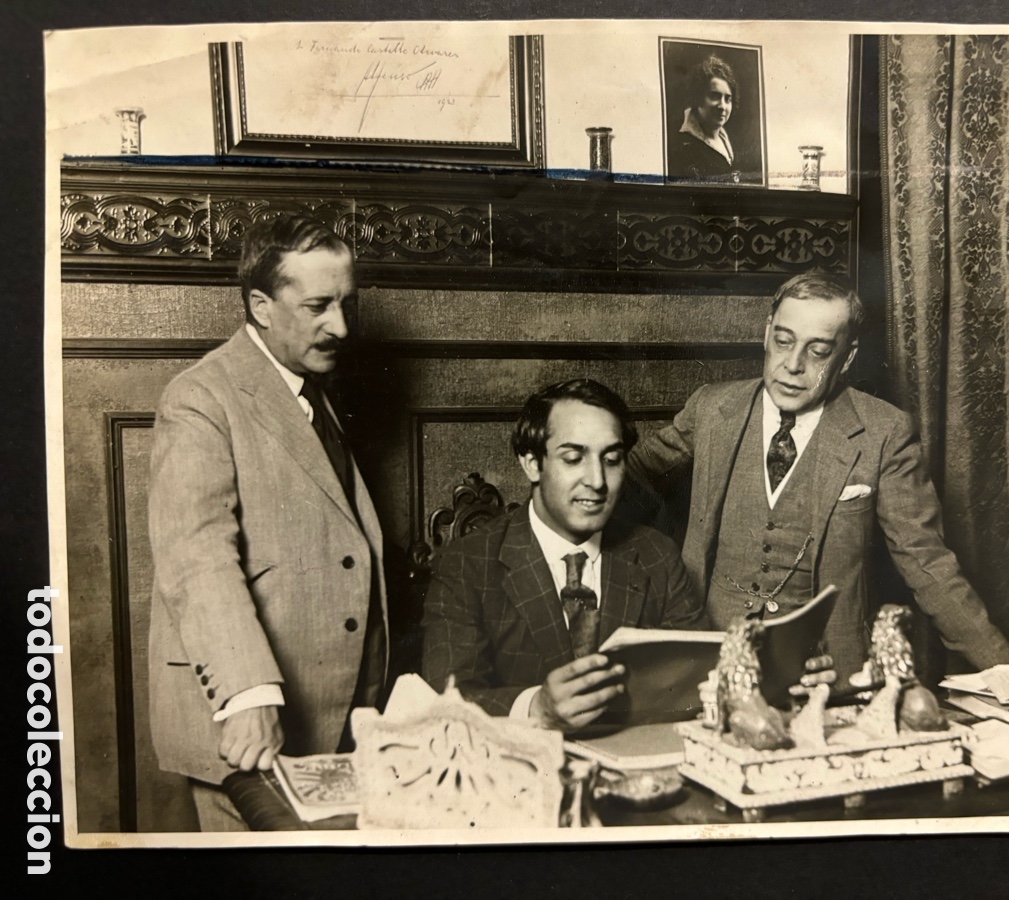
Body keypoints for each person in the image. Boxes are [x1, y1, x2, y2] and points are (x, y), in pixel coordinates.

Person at [628, 273, 1009, 689]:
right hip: (710, 662)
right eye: (783, 341)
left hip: (826, 673)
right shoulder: (712, 408)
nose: (794, 365)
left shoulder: (883, 433)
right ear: (765, 335)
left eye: (818, 351)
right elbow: (622, 478)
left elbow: (927, 563)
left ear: (846, 358)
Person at [147, 214, 388, 831]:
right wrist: (248, 693)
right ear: (260, 305)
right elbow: (196, 557)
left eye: (347, 304)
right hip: (246, 730)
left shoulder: (311, 388)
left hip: (331, 722)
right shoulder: (200, 397)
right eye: (317, 306)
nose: (340, 326)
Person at [420, 379, 710, 734]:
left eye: (612, 459)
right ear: (531, 464)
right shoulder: (466, 563)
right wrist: (535, 708)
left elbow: (698, 682)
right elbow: (446, 699)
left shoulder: (657, 555)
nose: (597, 481)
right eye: (574, 458)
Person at [667, 54, 747, 184]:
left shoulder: (729, 141)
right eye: (715, 96)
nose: (722, 106)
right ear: (698, 98)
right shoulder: (681, 148)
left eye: (728, 99)